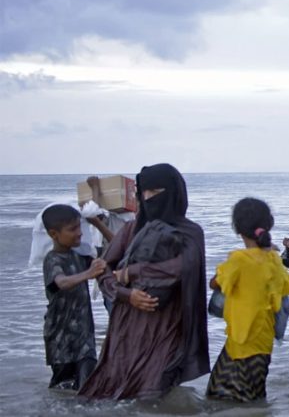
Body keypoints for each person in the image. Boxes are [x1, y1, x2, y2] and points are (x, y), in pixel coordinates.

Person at [80, 163, 209, 400]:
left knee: (155, 386)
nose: (149, 198)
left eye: (156, 192)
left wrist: (134, 272)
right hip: (128, 325)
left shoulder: (190, 232)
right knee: (120, 388)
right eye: (144, 193)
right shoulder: (131, 230)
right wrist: (126, 294)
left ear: (174, 192)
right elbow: (102, 268)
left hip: (167, 324)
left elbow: (184, 267)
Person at [206, 198, 289, 402]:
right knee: (254, 392)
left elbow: (215, 283)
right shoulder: (274, 258)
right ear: (268, 224)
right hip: (264, 338)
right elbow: (286, 288)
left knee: (221, 397)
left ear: (237, 228)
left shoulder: (240, 260)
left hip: (242, 339)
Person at [41, 204, 106, 390]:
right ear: (54, 234)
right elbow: (61, 282)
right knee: (62, 389)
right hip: (61, 338)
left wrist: (97, 224)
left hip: (84, 336)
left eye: (79, 227)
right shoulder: (52, 259)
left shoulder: (80, 257)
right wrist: (88, 274)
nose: (79, 233)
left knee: (88, 387)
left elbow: (113, 250)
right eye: (72, 229)